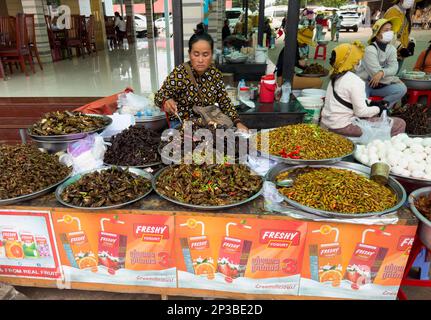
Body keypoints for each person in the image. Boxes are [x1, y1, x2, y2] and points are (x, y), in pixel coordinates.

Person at [154, 31, 248, 131]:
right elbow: (158, 97)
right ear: (189, 54)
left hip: (207, 124)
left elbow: (225, 102)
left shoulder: (215, 74)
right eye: (196, 54)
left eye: (205, 54)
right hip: (182, 125)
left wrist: (238, 122)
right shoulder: (180, 73)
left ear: (211, 55)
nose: (200, 60)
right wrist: (167, 101)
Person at [321, 41, 406, 137]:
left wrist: (371, 103)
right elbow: (361, 112)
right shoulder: (355, 81)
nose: (359, 61)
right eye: (357, 59)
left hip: (328, 123)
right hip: (343, 126)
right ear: (352, 60)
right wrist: (379, 109)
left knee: (373, 115)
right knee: (399, 123)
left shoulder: (335, 76)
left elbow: (348, 99)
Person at [356, 18, 408, 109]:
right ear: (377, 33)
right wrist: (393, 79)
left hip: (381, 87)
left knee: (402, 89)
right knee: (362, 107)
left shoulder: (391, 49)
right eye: (386, 30)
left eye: (391, 29)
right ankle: (372, 108)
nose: (390, 32)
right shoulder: (370, 50)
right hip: (365, 85)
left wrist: (382, 73)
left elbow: (394, 68)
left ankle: (382, 107)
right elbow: (375, 74)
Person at [383, 0, 417, 70]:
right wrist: (400, 47)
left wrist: (411, 43)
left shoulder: (404, 14)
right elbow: (386, 34)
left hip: (400, 54)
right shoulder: (392, 12)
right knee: (386, 76)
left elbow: (404, 33)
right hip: (390, 53)